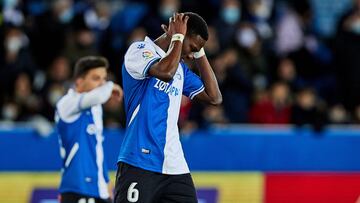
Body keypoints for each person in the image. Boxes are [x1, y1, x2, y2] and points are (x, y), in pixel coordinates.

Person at [114, 12, 222, 203]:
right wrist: (178, 38)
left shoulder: (181, 68)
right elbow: (165, 72)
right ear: (179, 33)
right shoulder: (139, 51)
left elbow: (214, 97)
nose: (191, 54)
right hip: (139, 161)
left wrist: (200, 52)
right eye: (193, 48)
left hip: (175, 166)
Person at [55, 56, 123, 203]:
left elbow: (96, 148)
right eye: (96, 78)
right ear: (79, 81)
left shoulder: (96, 109)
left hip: (99, 189)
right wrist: (111, 86)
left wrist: (105, 180)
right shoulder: (66, 104)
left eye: (104, 79)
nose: (102, 84)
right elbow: (98, 95)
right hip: (77, 188)